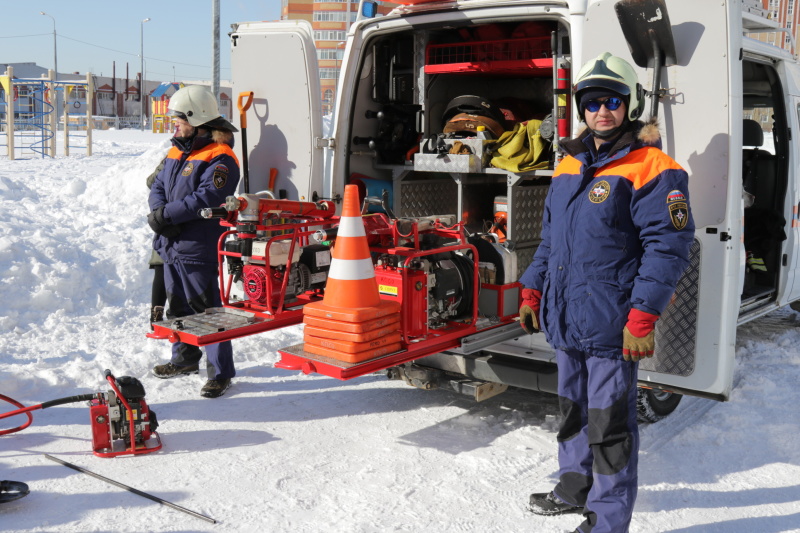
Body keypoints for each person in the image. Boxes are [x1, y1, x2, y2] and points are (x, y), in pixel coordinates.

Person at [518, 52, 694, 533]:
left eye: (612, 101)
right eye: (592, 101)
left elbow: (669, 249)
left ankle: (608, 520)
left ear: (629, 104)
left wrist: (643, 317)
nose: (602, 111)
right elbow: (551, 239)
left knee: (610, 426)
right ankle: (573, 487)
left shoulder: (654, 167)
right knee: (571, 411)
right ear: (581, 108)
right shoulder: (569, 163)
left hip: (613, 324)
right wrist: (532, 289)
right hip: (566, 317)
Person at [148, 85, 241, 398]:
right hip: (173, 245)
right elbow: (157, 186)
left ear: (197, 119)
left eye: (179, 118)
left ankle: (221, 373)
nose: (174, 123)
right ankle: (184, 360)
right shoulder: (177, 150)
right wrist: (161, 215)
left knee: (208, 313)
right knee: (177, 310)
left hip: (198, 247)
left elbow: (207, 197)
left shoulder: (221, 158)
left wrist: (167, 217)